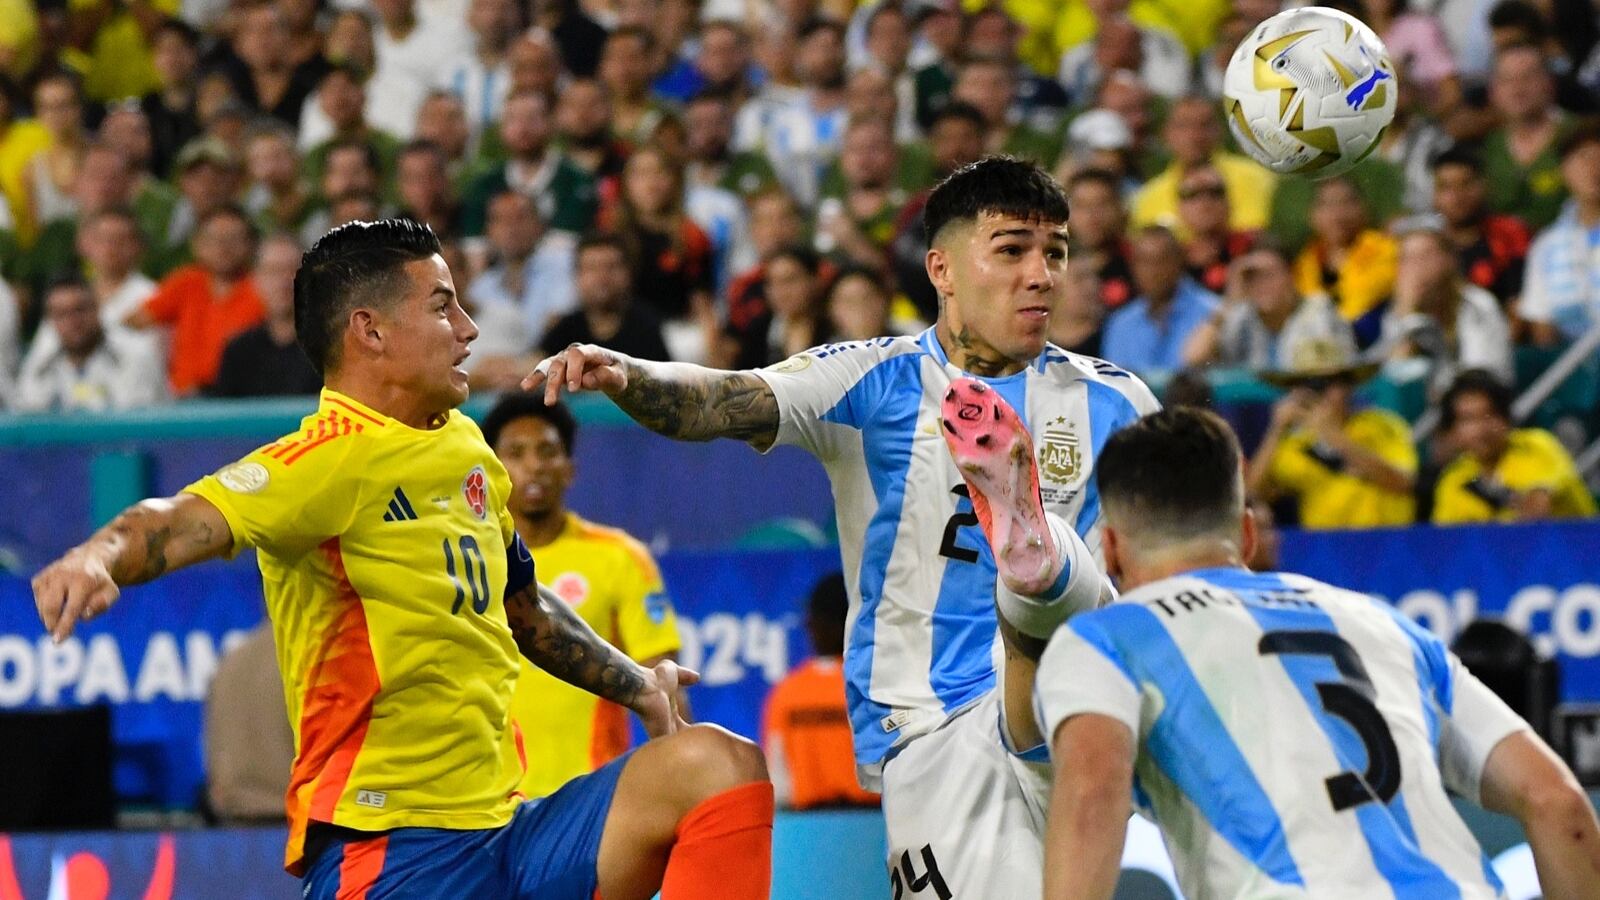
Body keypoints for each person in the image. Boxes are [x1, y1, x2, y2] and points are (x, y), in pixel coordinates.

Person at [30, 218, 772, 899]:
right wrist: (99, 557)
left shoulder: (464, 445)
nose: (469, 328)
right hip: (390, 852)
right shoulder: (321, 462)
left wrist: (638, 685)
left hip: (512, 832)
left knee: (717, 766)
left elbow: (522, 603)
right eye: (444, 306)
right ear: (371, 331)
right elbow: (178, 520)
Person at [530, 157, 1158, 899]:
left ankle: (1037, 562)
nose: (1042, 273)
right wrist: (629, 374)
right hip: (938, 723)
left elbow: (1160, 565)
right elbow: (727, 399)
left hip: (1072, 716)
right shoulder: (875, 379)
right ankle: (1038, 560)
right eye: (1013, 248)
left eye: (1055, 252)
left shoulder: (1117, 400)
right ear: (942, 269)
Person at [1034, 406, 1600, 900]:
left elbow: (1092, 796)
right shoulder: (1386, 625)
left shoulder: (1105, 639)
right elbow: (1559, 803)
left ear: (1108, 550)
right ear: (1248, 537)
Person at [482, 393, 684, 801]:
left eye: (547, 451)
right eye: (516, 453)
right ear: (490, 471)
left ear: (569, 470)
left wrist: (679, 786)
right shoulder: (469, 562)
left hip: (589, 803)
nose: (534, 465)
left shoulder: (620, 557)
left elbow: (664, 686)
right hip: (487, 806)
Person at [1248, 336, 1418, 529]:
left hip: (1384, 545)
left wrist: (1333, 436)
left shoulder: (1383, 426)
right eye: (1308, 384)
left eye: (1328, 382)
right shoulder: (1297, 445)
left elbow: (1402, 483)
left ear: (1349, 386)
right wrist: (1276, 430)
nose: (1319, 393)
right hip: (1325, 550)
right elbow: (1252, 496)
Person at [762, 572, 880, 810]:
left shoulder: (787, 692)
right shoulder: (874, 685)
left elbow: (778, 781)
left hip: (808, 830)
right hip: (873, 825)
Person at [1432, 369, 1597, 523]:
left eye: (1490, 415)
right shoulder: (1452, 480)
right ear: (1452, 431)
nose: (1481, 429)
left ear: (1506, 418)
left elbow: (1541, 500)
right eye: (1468, 419)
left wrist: (1538, 496)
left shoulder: (1536, 445)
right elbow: (1447, 541)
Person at [13, 278, 167, 413]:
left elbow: (139, 425)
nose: (72, 321)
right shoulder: (40, 366)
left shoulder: (135, 356)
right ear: (51, 320)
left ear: (97, 308)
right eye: (61, 314)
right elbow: (27, 415)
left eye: (79, 310)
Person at [1101, 225, 1221, 374]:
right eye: (1144, 261)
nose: (1152, 271)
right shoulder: (1120, 324)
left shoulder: (1215, 313)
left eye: (1161, 260)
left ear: (1179, 261)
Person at [213, 234, 322, 398]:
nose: (284, 281)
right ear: (256, 280)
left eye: (294, 270)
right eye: (273, 271)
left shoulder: (333, 349)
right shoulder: (239, 352)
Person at [539, 233, 671, 363]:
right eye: (592, 268)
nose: (602, 277)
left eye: (611, 267)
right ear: (577, 276)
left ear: (628, 273)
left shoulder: (649, 327)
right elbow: (536, 362)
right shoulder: (567, 327)